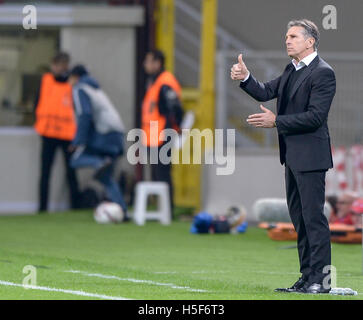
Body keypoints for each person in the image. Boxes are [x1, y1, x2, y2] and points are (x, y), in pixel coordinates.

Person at [231, 19, 336, 294]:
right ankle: (306, 277)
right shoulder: (292, 69)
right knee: (300, 219)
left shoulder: (323, 73)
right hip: (291, 156)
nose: (287, 40)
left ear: (310, 41)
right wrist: (245, 77)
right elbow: (266, 91)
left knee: (314, 219)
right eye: (286, 36)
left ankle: (321, 281)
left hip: (312, 157)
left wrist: (277, 121)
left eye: (293, 36)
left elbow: (316, 117)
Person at [68, 65, 129, 221]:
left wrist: (78, 141)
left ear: (75, 77)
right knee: (106, 178)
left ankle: (99, 162)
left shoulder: (80, 89)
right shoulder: (96, 89)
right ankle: (122, 212)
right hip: (117, 134)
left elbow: (85, 115)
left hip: (103, 134)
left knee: (75, 159)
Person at [34, 52, 80, 212]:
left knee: (71, 171)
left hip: (67, 135)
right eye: (58, 64)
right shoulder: (45, 80)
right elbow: (37, 103)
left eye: (64, 64)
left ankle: (76, 206)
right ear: (53, 65)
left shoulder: (72, 83)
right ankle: (42, 208)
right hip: (48, 134)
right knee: (45, 172)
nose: (61, 68)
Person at [142, 50, 184, 219]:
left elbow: (175, 109)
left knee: (163, 173)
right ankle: (162, 210)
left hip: (162, 135)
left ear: (157, 63)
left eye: (149, 61)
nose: (146, 65)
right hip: (153, 135)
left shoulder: (165, 82)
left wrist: (176, 129)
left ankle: (168, 211)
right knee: (157, 174)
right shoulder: (155, 82)